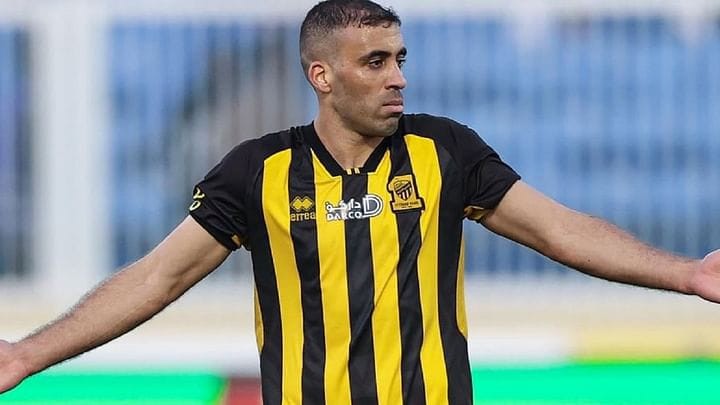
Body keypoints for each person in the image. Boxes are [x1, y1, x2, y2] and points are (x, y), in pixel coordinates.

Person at [1, 0, 719, 403]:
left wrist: (686, 273)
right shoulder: (257, 172)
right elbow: (156, 277)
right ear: (322, 75)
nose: (396, 76)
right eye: (375, 62)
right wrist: (27, 353)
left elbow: (560, 230)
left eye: (400, 58)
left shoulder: (445, 151)